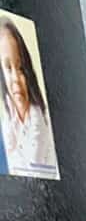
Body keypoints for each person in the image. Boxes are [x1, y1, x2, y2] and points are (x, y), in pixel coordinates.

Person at [0, 16, 57, 179]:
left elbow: (28, 173)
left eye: (20, 68)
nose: (15, 78)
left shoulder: (38, 121)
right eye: (8, 68)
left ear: (28, 72)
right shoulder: (7, 117)